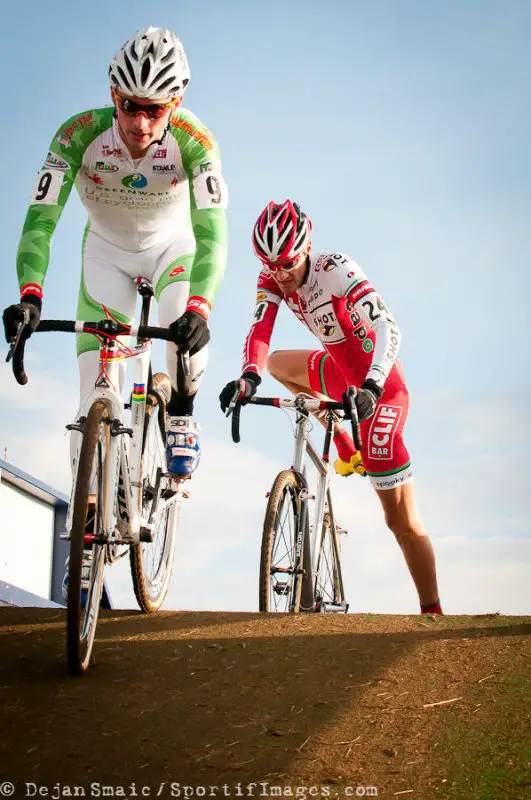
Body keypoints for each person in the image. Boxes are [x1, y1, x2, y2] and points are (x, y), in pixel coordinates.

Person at [3, 26, 228, 480]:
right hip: (106, 253)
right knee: (93, 393)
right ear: (112, 93)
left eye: (154, 110)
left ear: (175, 105)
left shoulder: (195, 141)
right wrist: (31, 296)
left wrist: (200, 310)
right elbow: (40, 222)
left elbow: (213, 234)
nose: (139, 124)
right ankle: (89, 510)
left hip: (172, 251)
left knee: (183, 346)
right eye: (128, 106)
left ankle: (181, 410)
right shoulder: (76, 136)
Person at [219, 200, 442, 615]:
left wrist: (373, 387)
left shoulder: (335, 269)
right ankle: (342, 444)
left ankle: (433, 613)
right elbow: (260, 328)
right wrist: (248, 376)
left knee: (402, 524)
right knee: (274, 365)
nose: (280, 274)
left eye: (286, 263)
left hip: (381, 388)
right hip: (339, 375)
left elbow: (387, 326)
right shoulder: (271, 277)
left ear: (305, 248)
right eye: (270, 264)